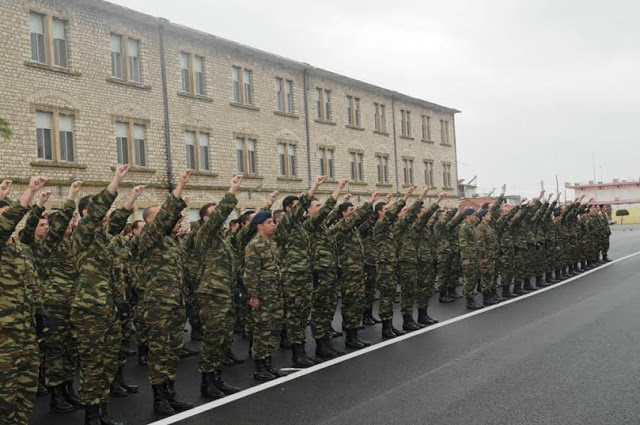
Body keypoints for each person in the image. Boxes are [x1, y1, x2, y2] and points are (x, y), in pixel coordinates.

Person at [135, 169, 194, 416]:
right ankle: (159, 398)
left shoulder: (171, 242)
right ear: (150, 222)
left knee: (172, 350)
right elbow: (165, 218)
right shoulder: (148, 239)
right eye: (160, 217)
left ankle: (170, 391)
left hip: (175, 304)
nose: (168, 220)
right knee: (159, 352)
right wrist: (179, 186)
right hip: (157, 306)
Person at [0, 177, 48, 425]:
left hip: (27, 334)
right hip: (4, 339)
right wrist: (30, 192)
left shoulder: (22, 250)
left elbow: (33, 286)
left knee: (26, 393)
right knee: (5, 398)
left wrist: (40, 318)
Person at [196, 175, 244, 399]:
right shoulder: (205, 235)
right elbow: (219, 218)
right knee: (213, 338)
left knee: (224, 337)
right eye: (216, 213)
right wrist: (232, 190)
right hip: (212, 295)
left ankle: (217, 379)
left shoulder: (222, 239)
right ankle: (207, 383)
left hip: (224, 292)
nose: (223, 219)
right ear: (207, 218)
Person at [244, 210, 287, 381]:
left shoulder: (272, 243)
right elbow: (250, 273)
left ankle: (268, 363)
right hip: (263, 295)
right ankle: (259, 367)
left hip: (275, 293)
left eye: (273, 222)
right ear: (259, 225)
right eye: (269, 222)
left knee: (274, 328)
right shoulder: (254, 245)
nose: (273, 224)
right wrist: (254, 295)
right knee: (262, 330)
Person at [374, 186, 414, 338]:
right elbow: (392, 214)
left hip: (391, 265)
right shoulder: (380, 225)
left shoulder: (388, 228)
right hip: (384, 267)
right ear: (379, 212)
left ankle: (390, 325)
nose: (387, 211)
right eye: (385, 209)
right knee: (385, 297)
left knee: (390, 297)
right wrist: (404, 197)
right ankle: (385, 327)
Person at [459, 208, 483, 310]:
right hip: (469, 257)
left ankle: (471, 297)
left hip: (474, 256)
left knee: (474, 277)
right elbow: (463, 243)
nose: (475, 216)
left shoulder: (471, 226)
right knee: (469, 278)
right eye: (473, 215)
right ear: (467, 216)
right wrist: (465, 258)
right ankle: (469, 301)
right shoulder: (464, 227)